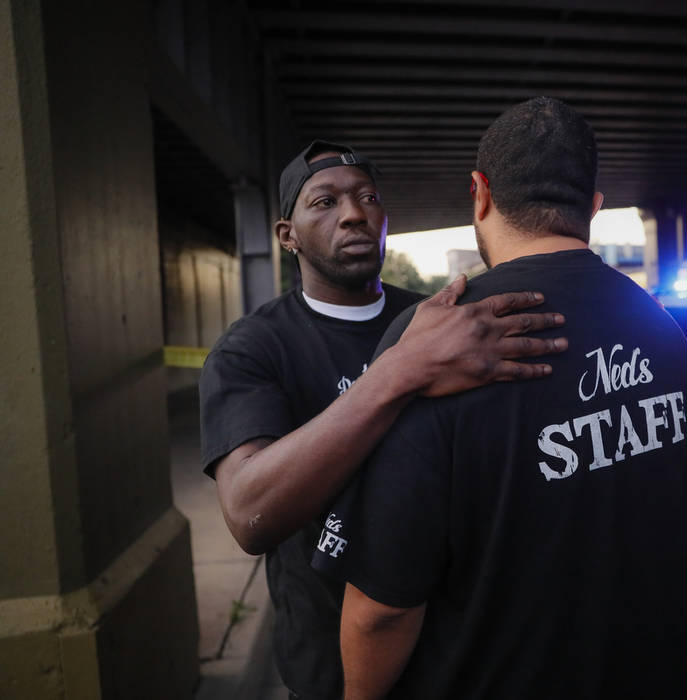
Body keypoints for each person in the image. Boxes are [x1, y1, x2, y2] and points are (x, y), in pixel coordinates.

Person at [313, 98, 687, 699]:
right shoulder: (658, 322)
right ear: (594, 208)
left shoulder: (439, 335)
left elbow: (383, 606)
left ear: (479, 193)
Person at [199, 140, 567, 700]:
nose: (353, 213)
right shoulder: (252, 349)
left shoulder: (441, 318)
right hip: (333, 670)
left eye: (368, 197)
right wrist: (399, 373)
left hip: (458, 653)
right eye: (323, 202)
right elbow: (250, 513)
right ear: (286, 234)